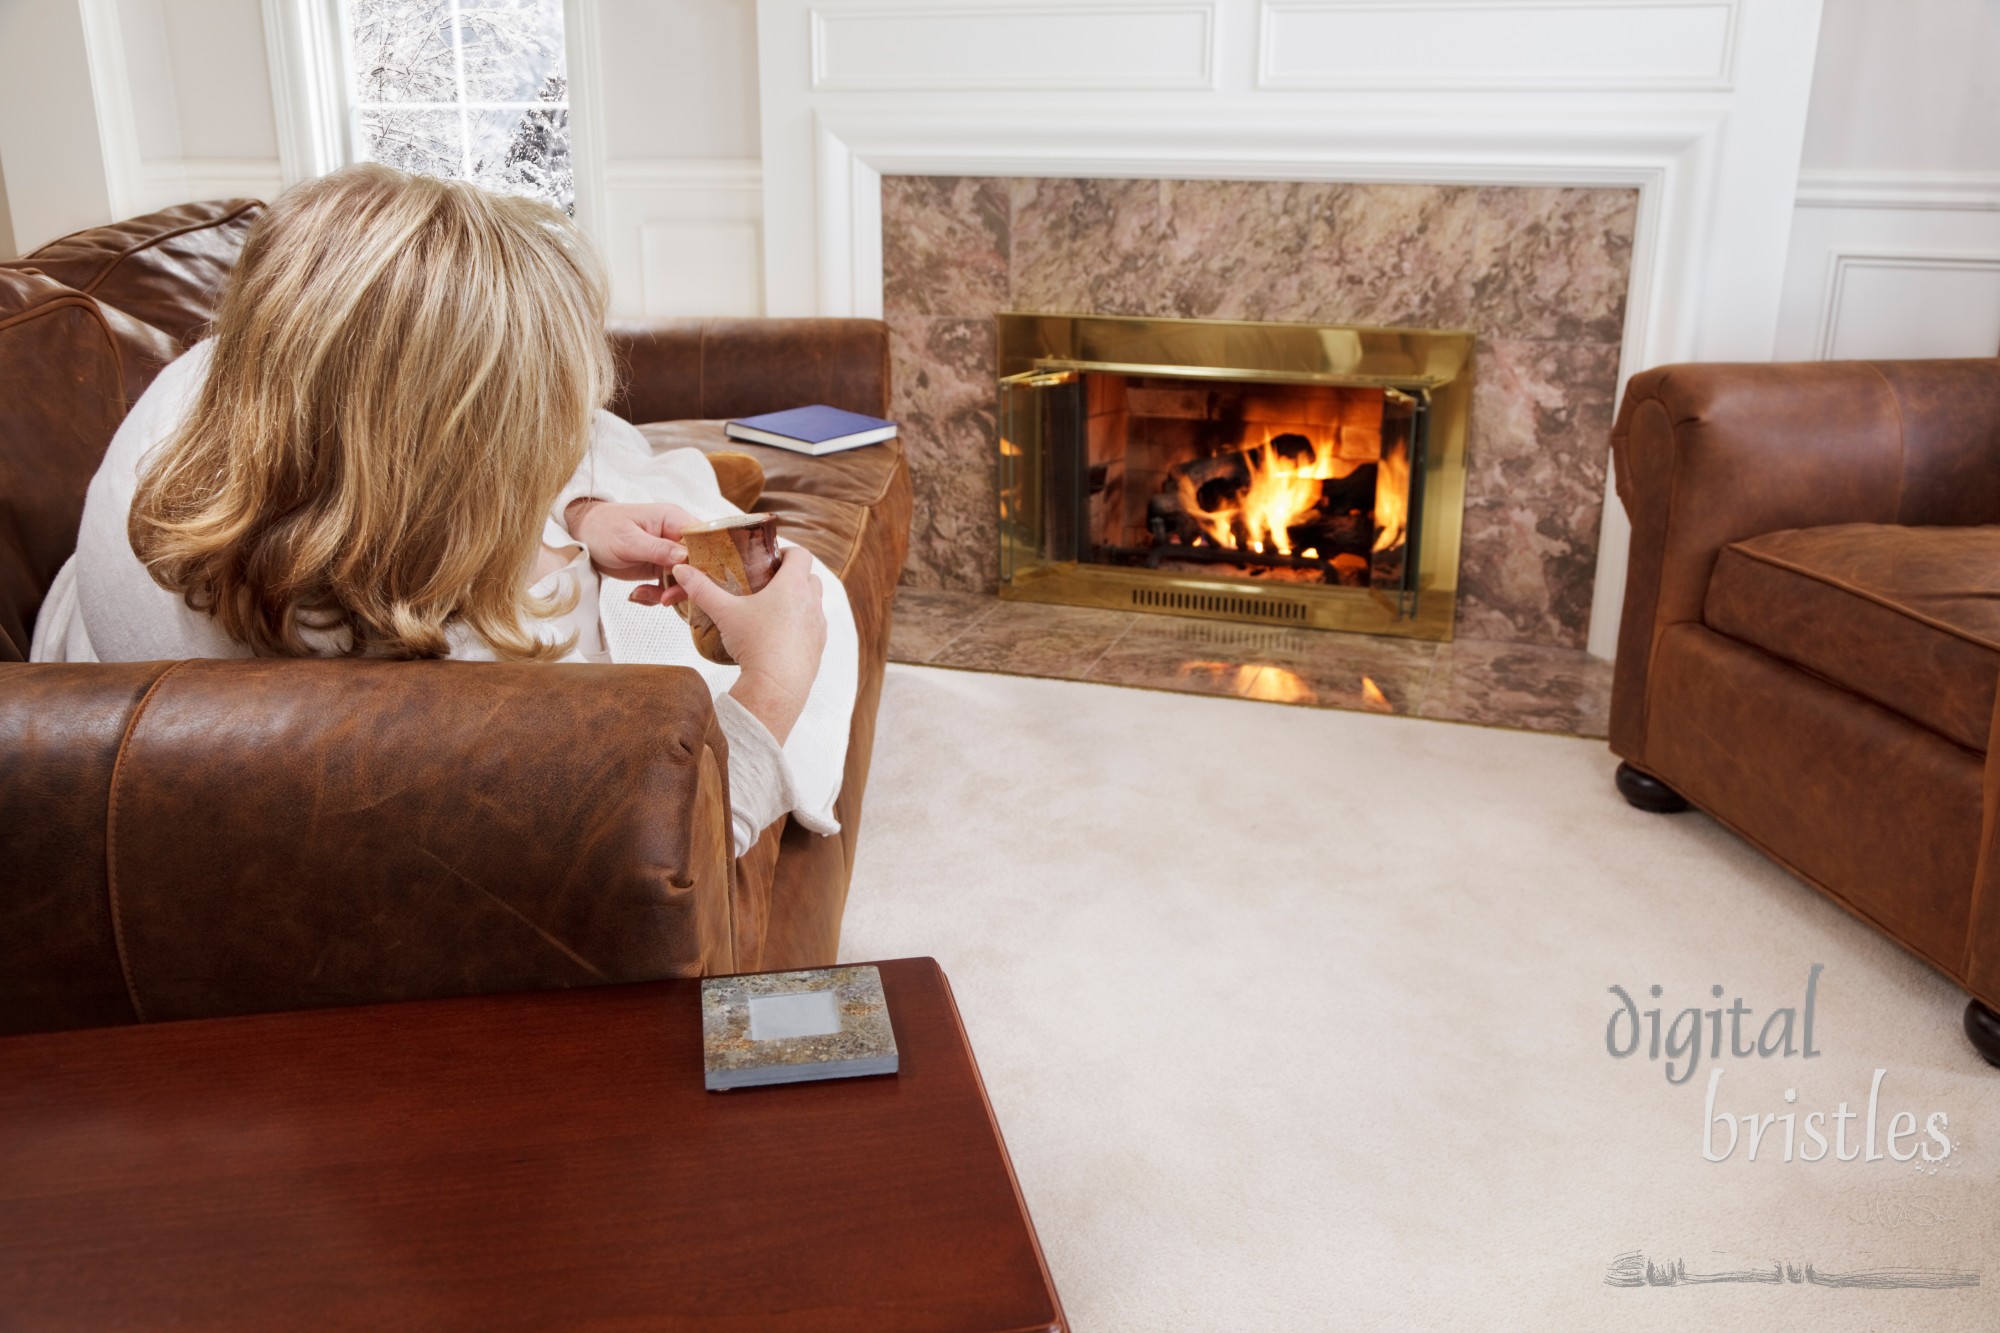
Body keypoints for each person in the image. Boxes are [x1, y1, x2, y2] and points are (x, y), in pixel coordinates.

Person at [29, 163, 854, 858]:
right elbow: (658, 869)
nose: (556, 444)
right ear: (436, 466)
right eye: (530, 439)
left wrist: (578, 513)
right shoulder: (417, 703)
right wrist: (776, 678)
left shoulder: (200, 392)